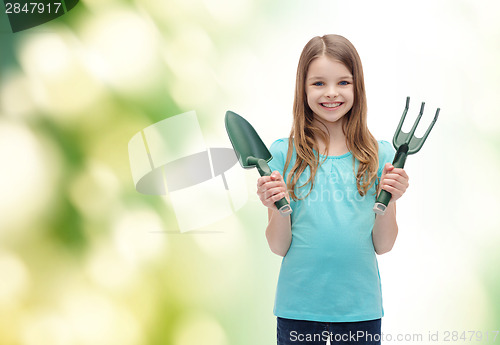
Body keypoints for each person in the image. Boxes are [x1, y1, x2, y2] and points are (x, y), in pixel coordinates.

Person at [256, 34, 409, 345]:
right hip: (298, 310)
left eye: (343, 83)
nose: (331, 93)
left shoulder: (380, 157)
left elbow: (384, 244)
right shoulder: (283, 155)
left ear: (357, 88)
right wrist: (275, 204)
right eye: (318, 83)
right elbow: (278, 246)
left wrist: (390, 197)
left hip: (359, 312)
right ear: (302, 88)